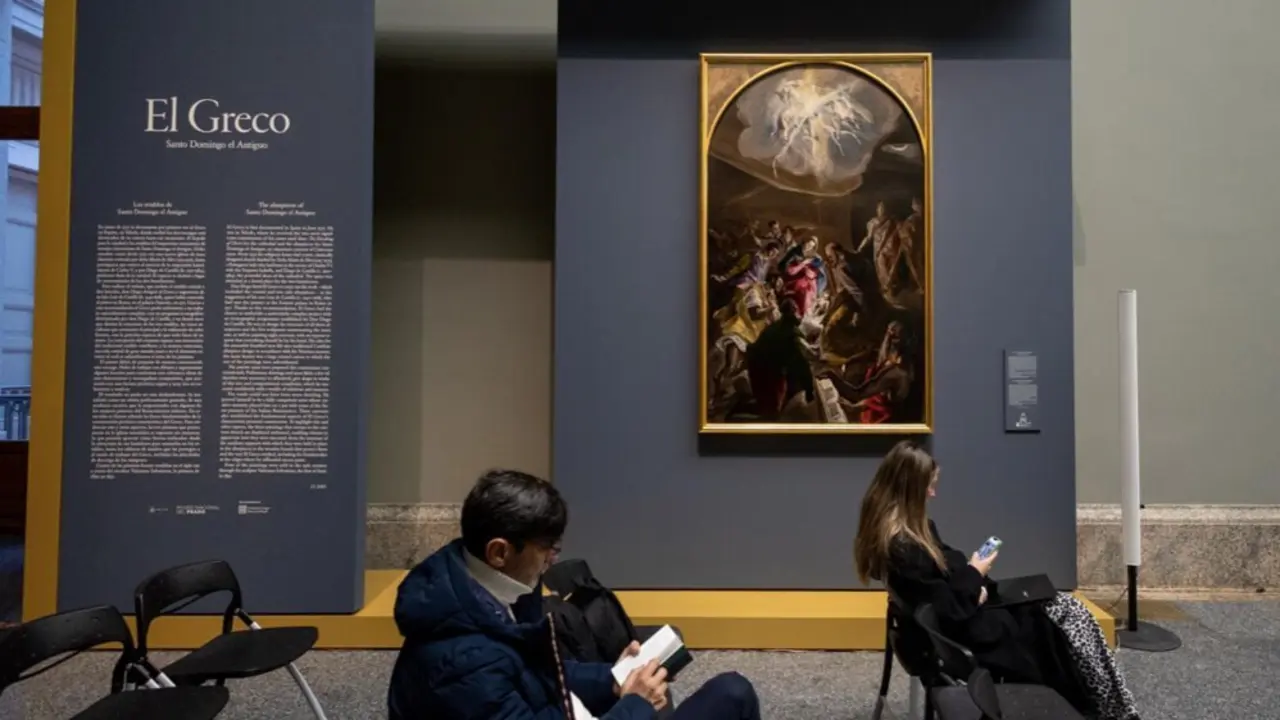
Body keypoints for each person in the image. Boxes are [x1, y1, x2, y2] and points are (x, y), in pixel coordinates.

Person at [388, 469, 762, 720]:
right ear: (499, 552)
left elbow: (545, 674)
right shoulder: (462, 666)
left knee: (732, 691)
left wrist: (614, 679)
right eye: (547, 546)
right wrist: (635, 704)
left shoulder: (481, 590)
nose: (554, 557)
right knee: (732, 696)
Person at [853, 442, 1141, 720]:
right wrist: (975, 573)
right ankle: (1103, 704)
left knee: (1063, 609)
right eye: (928, 486)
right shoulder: (906, 550)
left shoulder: (900, 535)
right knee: (1066, 616)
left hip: (965, 614)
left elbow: (945, 573)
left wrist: (971, 579)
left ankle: (1104, 702)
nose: (932, 494)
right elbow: (950, 608)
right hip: (965, 632)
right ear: (909, 491)